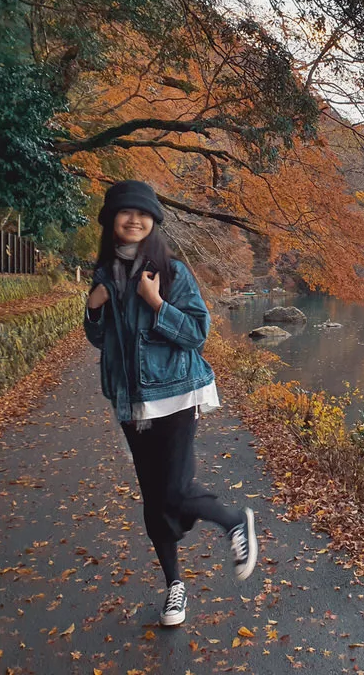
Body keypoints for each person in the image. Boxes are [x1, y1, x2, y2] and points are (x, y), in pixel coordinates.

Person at [83, 180, 257, 627]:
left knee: (176, 490)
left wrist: (156, 303)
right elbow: (100, 341)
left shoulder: (172, 271)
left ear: (154, 222)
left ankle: (234, 519)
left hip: (177, 394)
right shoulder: (103, 274)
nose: (134, 220)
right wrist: (94, 310)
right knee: (154, 499)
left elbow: (198, 333)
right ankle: (174, 587)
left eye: (142, 214)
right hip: (131, 401)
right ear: (112, 221)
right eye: (125, 213)